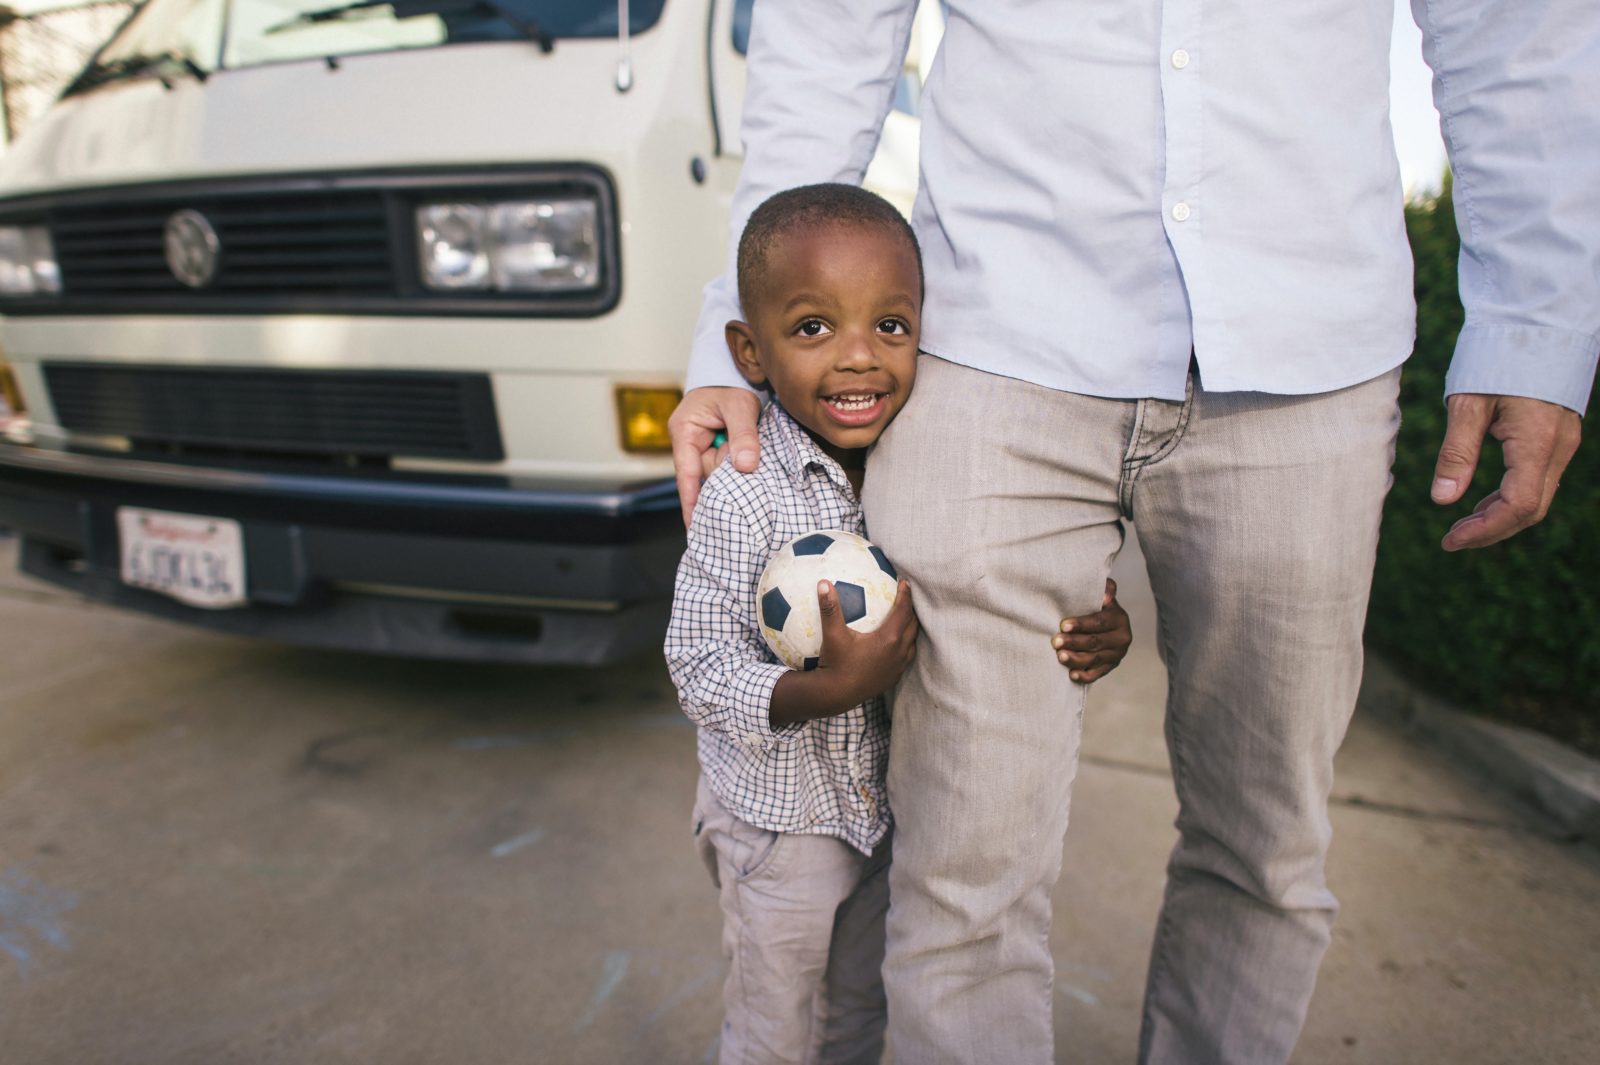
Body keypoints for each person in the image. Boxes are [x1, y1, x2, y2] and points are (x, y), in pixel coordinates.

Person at [669, 2, 1595, 1063]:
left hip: (1311, 349)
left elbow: (1515, 25)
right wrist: (728, 338)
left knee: (1266, 850)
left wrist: (1538, 327)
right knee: (963, 866)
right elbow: (829, 26)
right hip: (997, 338)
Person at [665, 183, 1134, 1065]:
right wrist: (823, 689)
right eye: (812, 329)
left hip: (887, 817)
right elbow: (695, 662)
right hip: (782, 827)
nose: (858, 360)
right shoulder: (744, 486)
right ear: (749, 352)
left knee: (857, 1016)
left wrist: (1109, 625)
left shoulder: (929, 466)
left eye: (890, 326)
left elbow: (1001, 581)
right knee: (775, 1031)